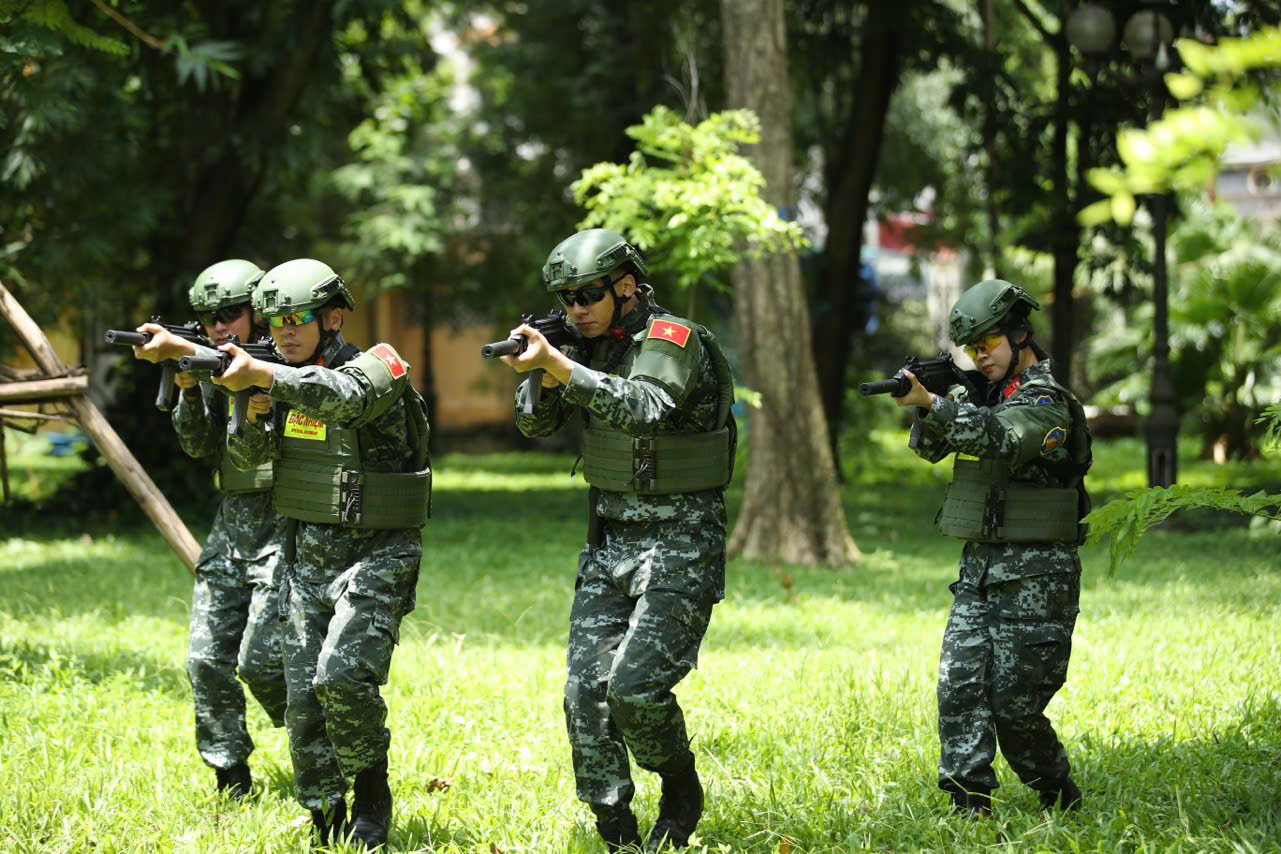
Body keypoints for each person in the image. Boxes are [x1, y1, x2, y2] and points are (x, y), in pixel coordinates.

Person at [498, 228, 736, 851]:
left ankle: (679, 786)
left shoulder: (672, 341)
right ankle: (615, 826)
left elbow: (646, 406)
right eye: (567, 299)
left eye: (588, 295)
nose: (577, 308)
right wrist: (538, 375)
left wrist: (560, 365)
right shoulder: (587, 347)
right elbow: (533, 425)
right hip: (610, 543)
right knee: (585, 694)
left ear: (626, 285)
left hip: (680, 540)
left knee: (634, 690)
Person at [209, 258, 430, 850]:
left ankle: (371, 791)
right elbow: (248, 457)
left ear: (332, 316)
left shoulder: (379, 364)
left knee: (341, 677)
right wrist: (249, 409)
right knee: (304, 693)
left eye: (299, 316)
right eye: (275, 318)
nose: (284, 329)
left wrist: (268, 378)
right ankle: (324, 813)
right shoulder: (277, 375)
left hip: (380, 550)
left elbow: (347, 399)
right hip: (308, 553)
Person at [892, 279, 1092, 817]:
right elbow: (929, 449)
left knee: (1015, 709)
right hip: (980, 570)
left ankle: (1057, 790)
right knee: (957, 685)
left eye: (990, 344)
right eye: (972, 349)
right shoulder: (986, 397)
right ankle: (968, 803)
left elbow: (1002, 439)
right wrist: (934, 402)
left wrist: (939, 402)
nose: (981, 357)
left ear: (1020, 333)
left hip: (1037, 577)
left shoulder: (1048, 403)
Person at [132, 258, 287, 800]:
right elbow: (199, 447)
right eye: (208, 317)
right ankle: (230, 775)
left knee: (264, 661)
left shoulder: (288, 363)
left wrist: (190, 354)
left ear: (258, 312)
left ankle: (322, 731)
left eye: (231, 312)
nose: (221, 325)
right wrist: (190, 387)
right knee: (205, 658)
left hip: (287, 526)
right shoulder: (211, 365)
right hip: (232, 525)